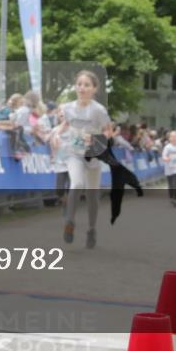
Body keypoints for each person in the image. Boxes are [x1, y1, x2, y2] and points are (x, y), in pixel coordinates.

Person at [52, 70, 112, 249]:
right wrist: (56, 134)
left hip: (93, 155)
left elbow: (109, 131)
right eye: (79, 84)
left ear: (94, 89)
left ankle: (92, 229)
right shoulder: (68, 107)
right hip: (74, 152)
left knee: (93, 195)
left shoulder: (99, 110)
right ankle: (69, 222)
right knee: (77, 184)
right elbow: (65, 125)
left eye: (86, 85)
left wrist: (96, 139)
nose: (82, 88)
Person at [162, 131, 176, 208]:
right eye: (172, 136)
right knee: (170, 184)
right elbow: (164, 156)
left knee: (175, 183)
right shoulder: (167, 147)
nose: (174, 138)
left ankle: (175, 199)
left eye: (175, 136)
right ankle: (171, 197)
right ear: (169, 138)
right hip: (169, 168)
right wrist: (166, 159)